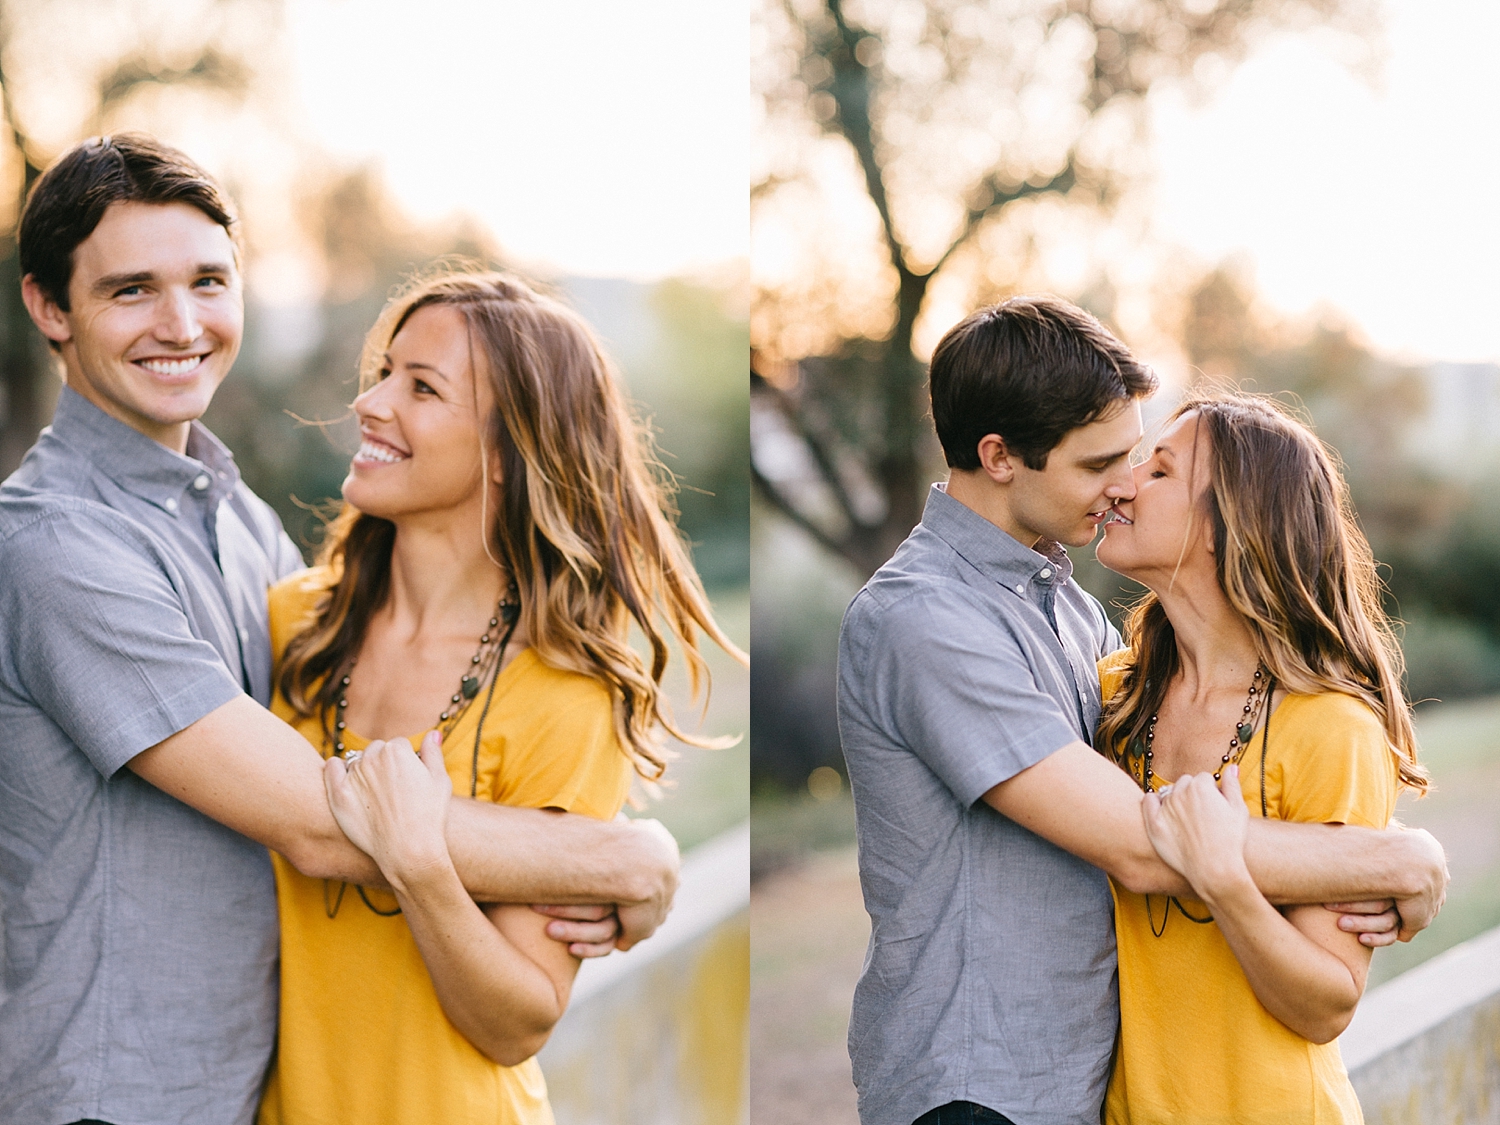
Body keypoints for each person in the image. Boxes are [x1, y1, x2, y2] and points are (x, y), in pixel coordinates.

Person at [0, 134, 679, 1125]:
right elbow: (320, 820)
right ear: (51, 310)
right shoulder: (58, 549)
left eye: (208, 281)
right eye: (130, 291)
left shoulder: (246, 534)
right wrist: (625, 863)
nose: (181, 323)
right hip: (114, 1095)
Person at [835, 295, 1449, 1125]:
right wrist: (1393, 864)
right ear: (1001, 456)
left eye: (1148, 464)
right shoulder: (927, 620)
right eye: (1102, 465)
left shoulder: (1085, 629)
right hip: (981, 1086)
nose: (1121, 485)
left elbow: (1321, 989)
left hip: (1092, 1091)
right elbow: (1142, 846)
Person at [254, 269, 743, 1123]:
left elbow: (520, 1020)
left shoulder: (563, 690)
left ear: (509, 456)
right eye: (384, 373)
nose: (371, 404)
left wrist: (420, 862)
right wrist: (633, 858)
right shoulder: (286, 623)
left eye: (422, 387)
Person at [1093, 392, 1421, 1122]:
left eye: (1159, 471)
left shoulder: (1331, 725)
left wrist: (1226, 878)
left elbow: (1328, 1002)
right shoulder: (1112, 694)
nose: (1121, 482)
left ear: (1223, 527)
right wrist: (1410, 862)